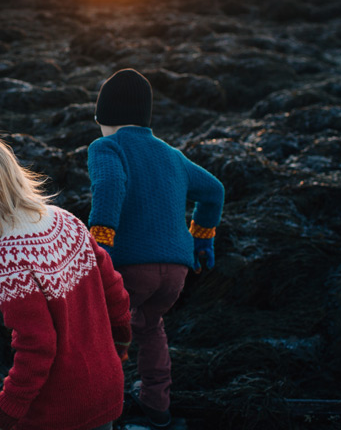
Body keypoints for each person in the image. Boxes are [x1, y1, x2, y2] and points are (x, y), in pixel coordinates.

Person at [0, 131, 132, 430]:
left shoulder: (8, 258)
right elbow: (115, 292)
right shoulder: (67, 221)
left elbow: (37, 347)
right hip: (106, 389)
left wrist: (2, 413)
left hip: (59, 409)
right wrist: (117, 345)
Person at [87, 69, 225, 429]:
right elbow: (214, 191)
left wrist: (99, 242)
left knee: (108, 332)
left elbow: (110, 184)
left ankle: (106, 407)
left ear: (104, 118)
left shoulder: (106, 146)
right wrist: (202, 239)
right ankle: (156, 404)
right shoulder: (173, 155)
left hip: (130, 266)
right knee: (150, 327)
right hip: (177, 270)